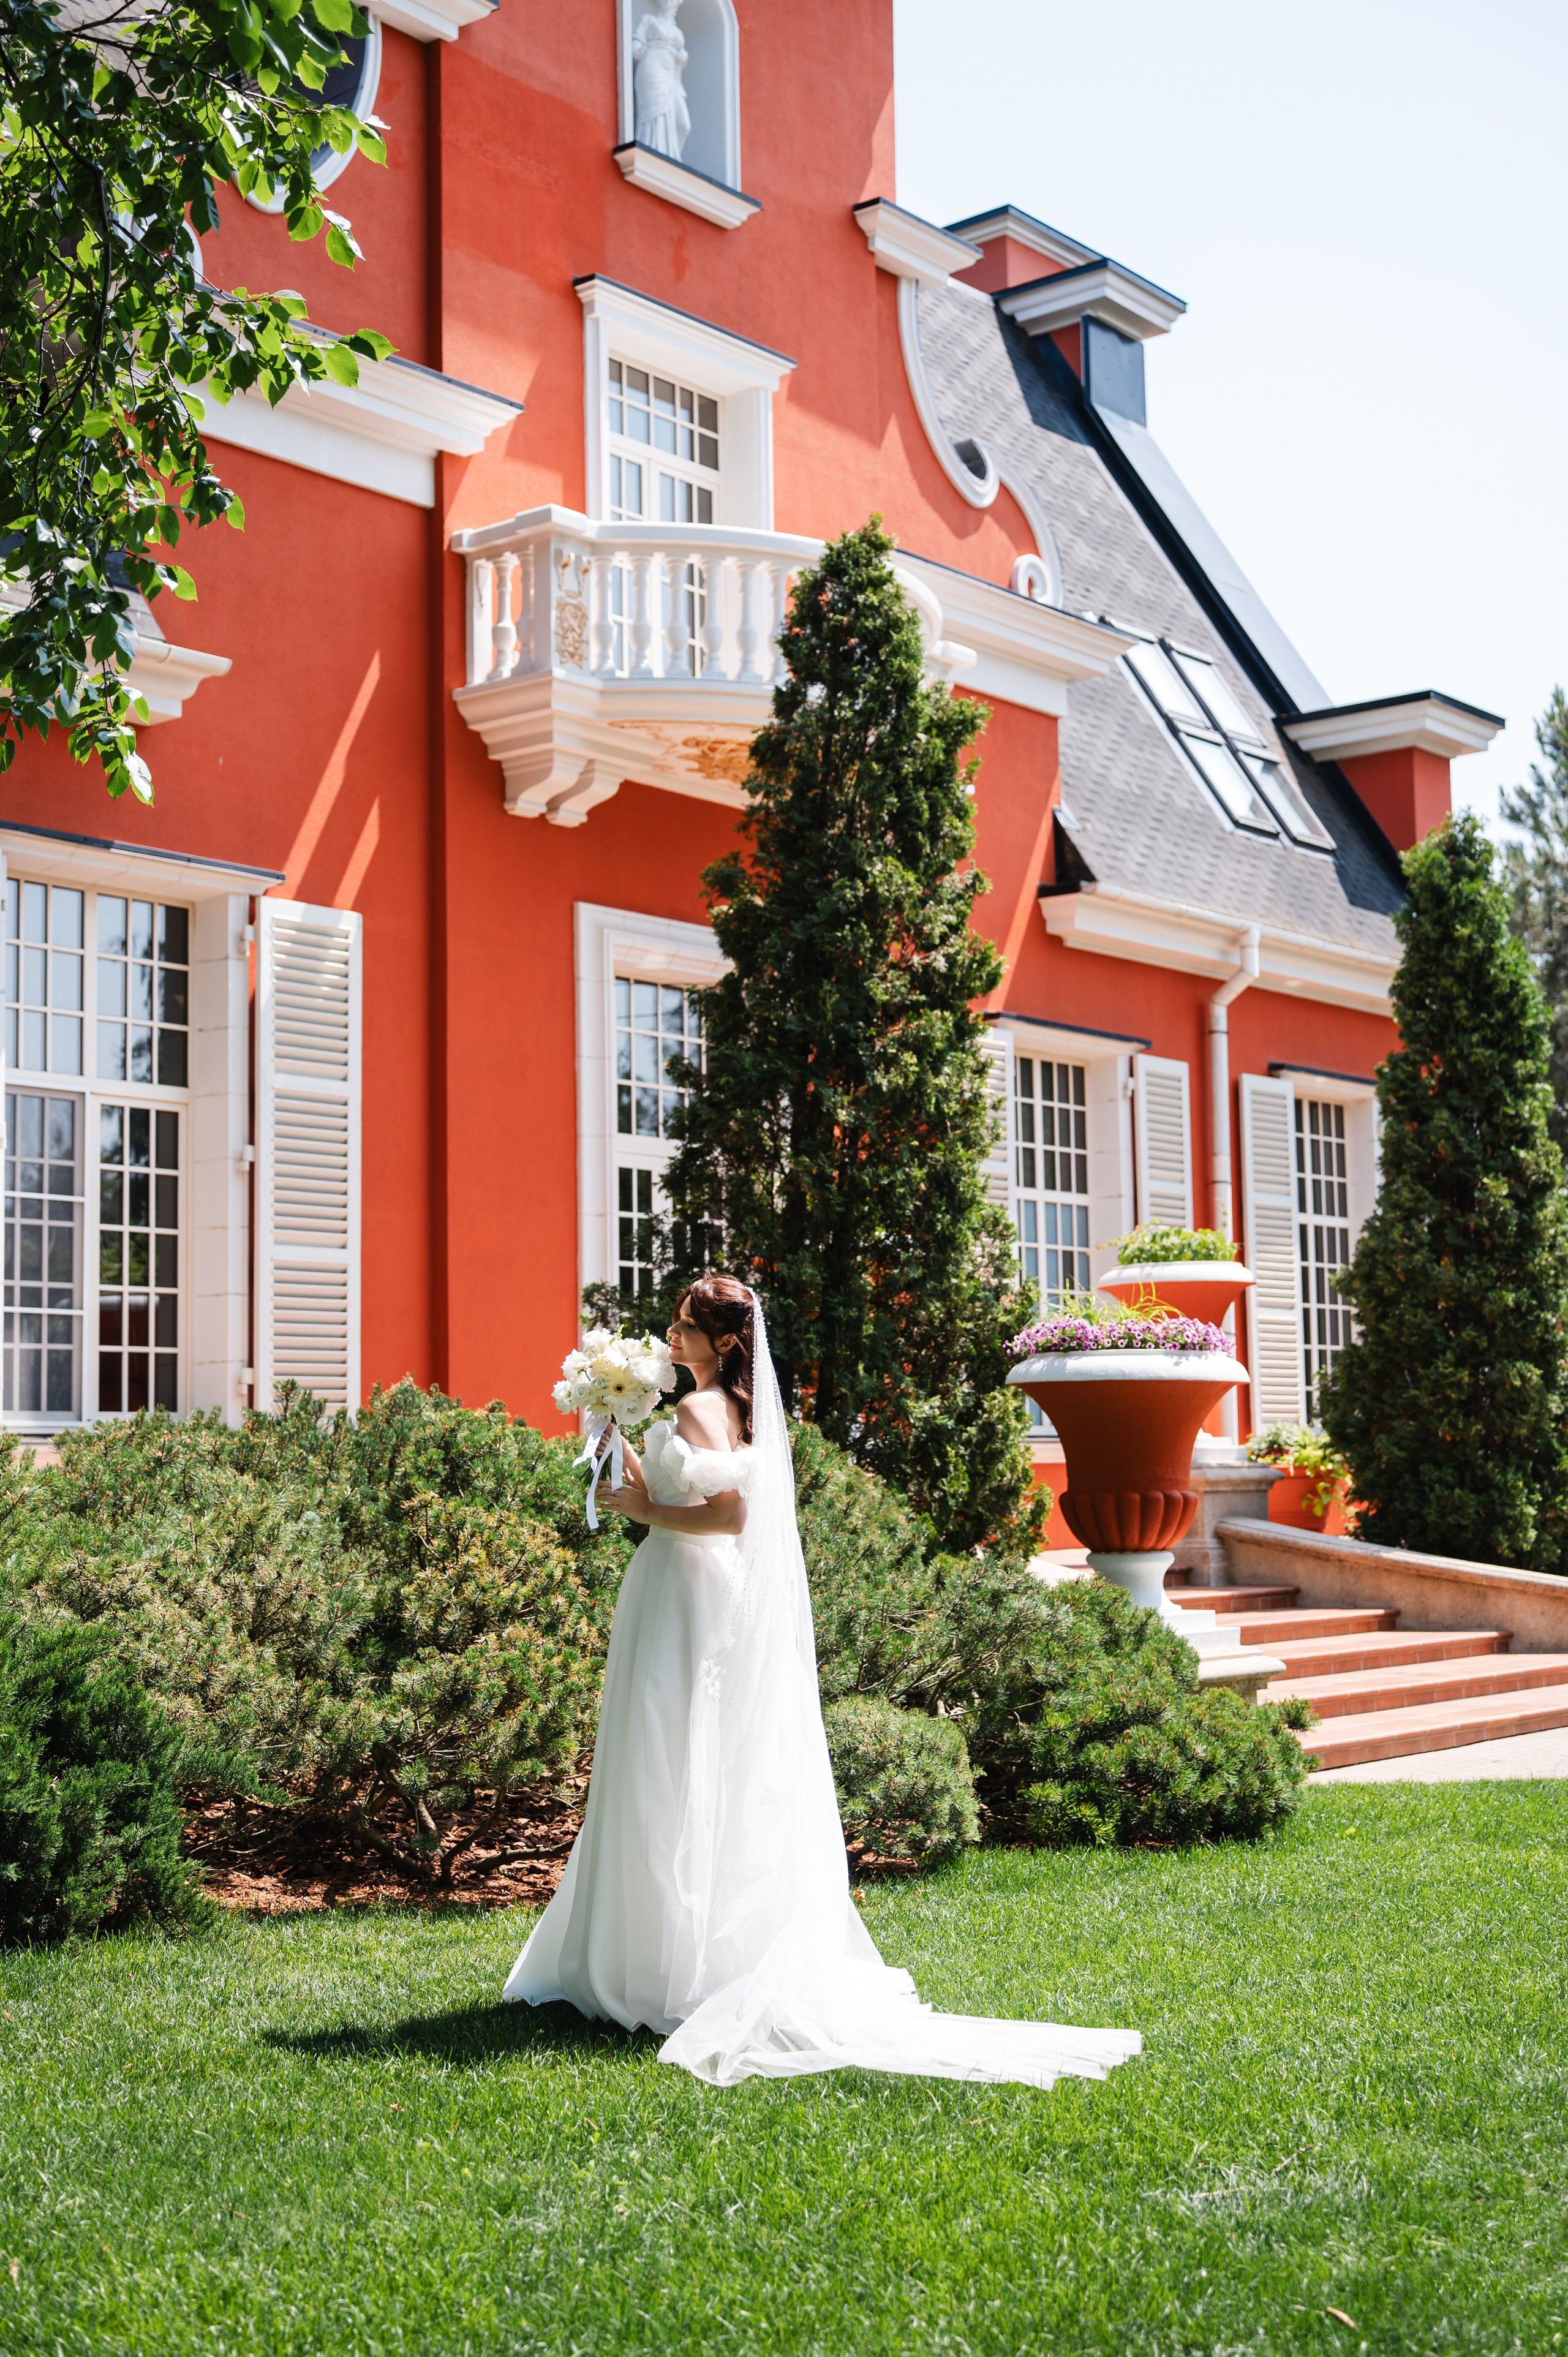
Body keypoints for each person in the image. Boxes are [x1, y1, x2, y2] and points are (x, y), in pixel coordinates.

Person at [503, 1276, 1141, 2090]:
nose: (670, 1333)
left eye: (684, 1324)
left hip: (681, 1589)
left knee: (666, 1760)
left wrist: (642, 1510)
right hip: (713, 1593)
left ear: (724, 1342)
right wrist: (620, 1437)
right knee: (709, 1759)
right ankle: (695, 1954)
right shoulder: (738, 1412)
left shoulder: (699, 1412)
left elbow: (725, 1516)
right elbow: (685, 1494)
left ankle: (655, 1965)